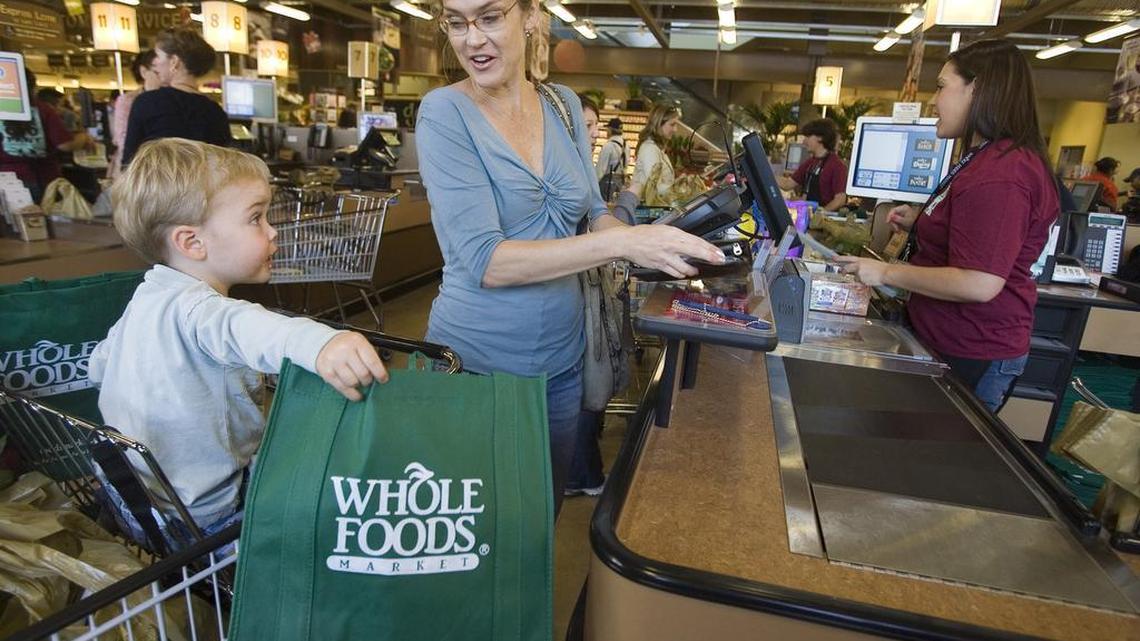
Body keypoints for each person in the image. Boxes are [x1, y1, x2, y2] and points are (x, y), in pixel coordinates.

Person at [418, 0, 724, 516]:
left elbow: (592, 214)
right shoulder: (445, 114)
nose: (472, 39)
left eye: (489, 17)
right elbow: (487, 262)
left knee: (541, 524)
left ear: (530, 15)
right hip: (476, 366)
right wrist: (623, 243)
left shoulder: (562, 106)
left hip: (561, 364)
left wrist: (648, 237)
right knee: (478, 541)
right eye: (456, 22)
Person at [89, 138, 389, 535]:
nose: (273, 231)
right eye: (256, 218)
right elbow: (251, 328)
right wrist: (319, 343)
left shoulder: (148, 295)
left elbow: (99, 365)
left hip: (132, 496)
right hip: (206, 514)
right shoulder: (202, 311)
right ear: (192, 242)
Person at [834, 39, 1058, 413]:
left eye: (941, 86)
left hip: (973, 347)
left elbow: (979, 281)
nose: (933, 100)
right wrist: (923, 220)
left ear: (978, 88)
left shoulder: (1002, 173)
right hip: (944, 336)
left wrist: (887, 271)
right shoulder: (984, 158)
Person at [122, 28, 232, 165]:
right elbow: (222, 165)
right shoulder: (215, 112)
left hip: (155, 185)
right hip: (201, 185)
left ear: (174, 61)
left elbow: (129, 163)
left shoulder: (147, 102)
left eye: (158, 56)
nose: (154, 63)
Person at [0, 70, 91, 202]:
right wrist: (84, 137)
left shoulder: (4, 108)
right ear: (32, 86)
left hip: (5, 179)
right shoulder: (43, 109)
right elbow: (65, 144)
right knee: (43, 218)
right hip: (41, 177)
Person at [777, 118, 849, 212]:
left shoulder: (837, 166)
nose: (804, 141)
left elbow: (840, 200)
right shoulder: (810, 163)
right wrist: (764, 174)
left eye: (808, 136)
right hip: (807, 216)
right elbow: (787, 184)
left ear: (820, 137)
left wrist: (820, 214)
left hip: (823, 221)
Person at [109, 51, 160, 179]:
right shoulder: (128, 101)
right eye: (157, 72)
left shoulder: (171, 99)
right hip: (134, 171)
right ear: (143, 72)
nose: (163, 77)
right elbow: (122, 139)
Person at [632, 103, 680, 206]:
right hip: (647, 211)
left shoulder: (657, 148)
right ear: (659, 124)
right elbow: (654, 185)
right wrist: (678, 192)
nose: (675, 129)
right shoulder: (650, 149)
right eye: (672, 124)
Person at [596, 117, 627, 202]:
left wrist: (593, 185)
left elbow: (600, 170)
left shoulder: (608, 146)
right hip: (620, 183)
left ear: (610, 130)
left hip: (608, 183)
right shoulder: (626, 145)